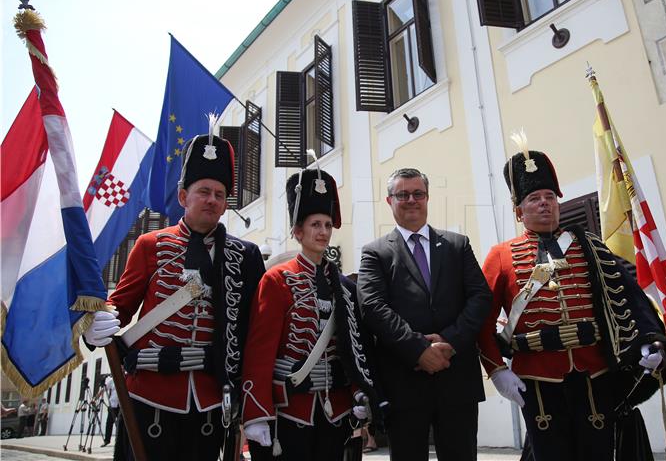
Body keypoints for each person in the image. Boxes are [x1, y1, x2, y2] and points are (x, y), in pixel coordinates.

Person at [476, 148, 666, 461]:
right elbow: (481, 322)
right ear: (518, 211)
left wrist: (647, 340)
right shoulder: (500, 256)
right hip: (537, 378)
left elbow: (629, 297)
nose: (544, 203)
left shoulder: (590, 246)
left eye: (550, 196)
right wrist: (497, 370)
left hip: (594, 372)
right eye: (534, 198)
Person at [83, 134, 265, 460]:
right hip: (150, 393)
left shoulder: (245, 256)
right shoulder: (150, 246)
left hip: (209, 399)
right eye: (204, 191)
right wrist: (94, 325)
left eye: (219, 194)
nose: (212, 200)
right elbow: (119, 307)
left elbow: (254, 333)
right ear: (183, 196)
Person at [241, 167, 382, 460]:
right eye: (315, 224)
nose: (323, 232)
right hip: (290, 408)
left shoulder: (343, 286)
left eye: (328, 225)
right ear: (298, 231)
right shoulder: (277, 279)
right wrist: (256, 411)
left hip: (335, 409)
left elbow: (353, 347)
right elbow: (260, 350)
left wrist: (358, 391)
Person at [358, 167, 492, 461]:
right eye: (402, 195)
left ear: (427, 197)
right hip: (404, 381)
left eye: (418, 194)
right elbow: (372, 306)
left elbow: (481, 296)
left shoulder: (457, 245)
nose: (411, 200)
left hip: (456, 378)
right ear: (389, 200)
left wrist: (449, 341)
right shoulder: (375, 253)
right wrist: (418, 349)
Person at [102, 375, 119, 447]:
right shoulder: (112, 380)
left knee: (120, 424)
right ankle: (107, 440)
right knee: (109, 423)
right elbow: (103, 389)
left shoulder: (126, 378)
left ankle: (118, 441)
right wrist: (95, 398)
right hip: (113, 405)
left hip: (121, 406)